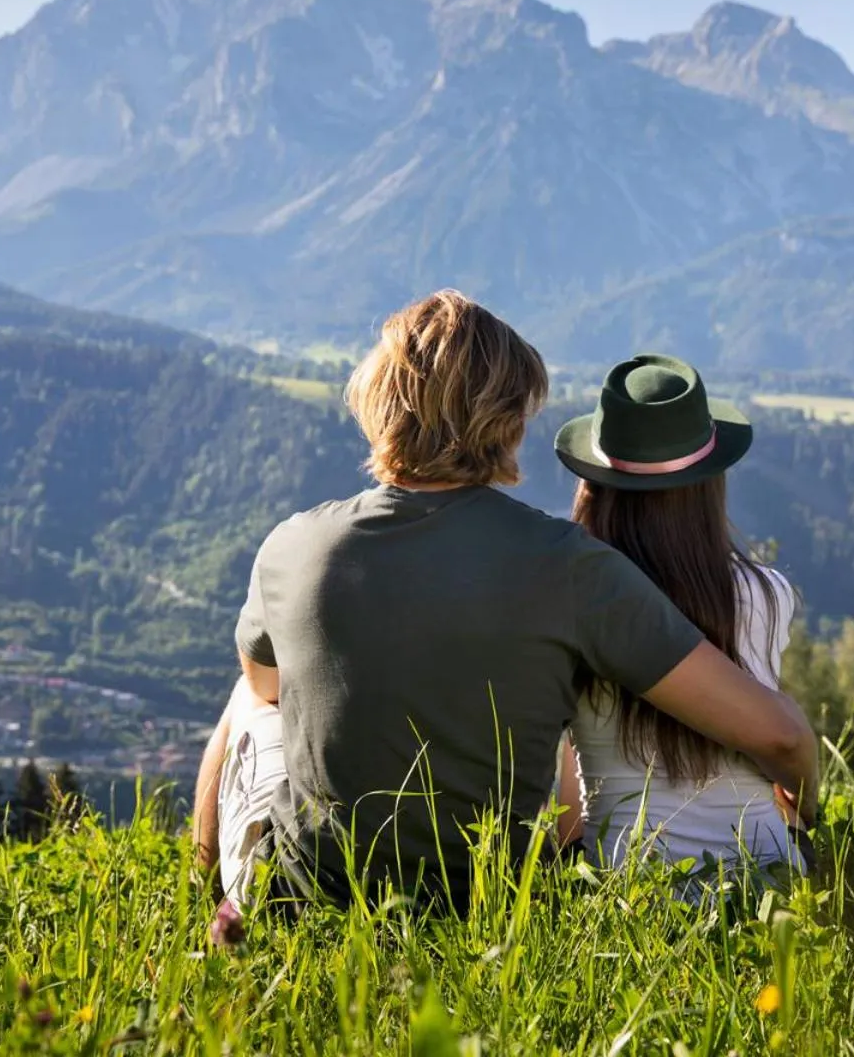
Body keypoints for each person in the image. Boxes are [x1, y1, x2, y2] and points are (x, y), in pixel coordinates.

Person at [193, 290, 817, 910]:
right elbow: (781, 736)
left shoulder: (292, 545)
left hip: (305, 900)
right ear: (513, 422)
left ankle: (201, 899)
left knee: (247, 694)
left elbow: (268, 685)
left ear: (375, 402)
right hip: (488, 904)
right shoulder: (570, 566)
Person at [552, 353, 806, 874]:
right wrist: (806, 814)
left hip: (626, 884)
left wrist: (565, 860)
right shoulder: (768, 593)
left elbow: (572, 781)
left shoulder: (572, 601)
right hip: (765, 875)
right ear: (709, 485)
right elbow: (777, 740)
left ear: (594, 486)